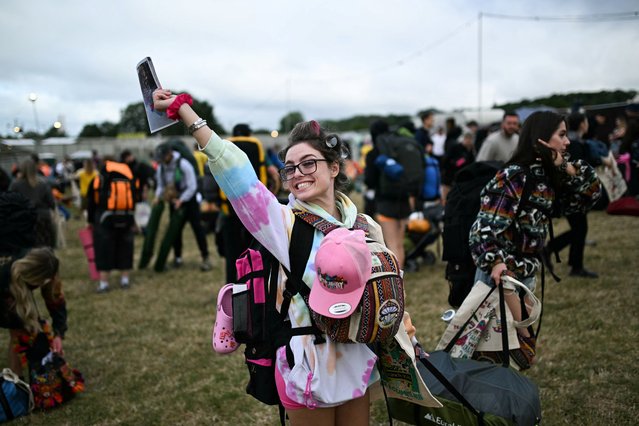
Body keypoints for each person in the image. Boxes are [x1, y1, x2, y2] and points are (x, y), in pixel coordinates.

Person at [153, 88, 384, 425]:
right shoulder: (281, 223)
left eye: (309, 163)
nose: (298, 173)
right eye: (290, 168)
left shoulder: (364, 225)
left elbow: (383, 289)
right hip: (309, 364)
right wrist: (189, 116)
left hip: (358, 358)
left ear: (334, 168)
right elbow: (238, 176)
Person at [469, 111, 601, 361]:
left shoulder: (549, 177)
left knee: (517, 353)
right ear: (541, 139)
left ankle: (504, 397)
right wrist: (496, 263)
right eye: (561, 135)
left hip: (525, 276)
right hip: (498, 278)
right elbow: (482, 228)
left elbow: (592, 195)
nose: (568, 141)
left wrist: (566, 166)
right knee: (487, 353)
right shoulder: (515, 176)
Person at [545, 112, 609, 278]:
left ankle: (570, 261)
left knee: (579, 229)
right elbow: (575, 169)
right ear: (582, 124)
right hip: (573, 196)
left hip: (572, 195)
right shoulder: (573, 144)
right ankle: (555, 253)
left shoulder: (573, 142)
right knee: (580, 230)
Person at [365, 120, 415, 268]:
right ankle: (401, 275)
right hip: (403, 199)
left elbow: (370, 180)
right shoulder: (398, 149)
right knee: (399, 244)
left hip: (385, 203)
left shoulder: (373, 154)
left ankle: (397, 281)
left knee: (391, 245)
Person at [154, 142, 212, 271]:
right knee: (175, 230)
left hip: (189, 200)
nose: (162, 161)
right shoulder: (161, 167)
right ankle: (177, 257)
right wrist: (158, 197)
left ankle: (206, 257)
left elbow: (192, 186)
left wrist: (182, 199)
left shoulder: (183, 164)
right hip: (174, 202)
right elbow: (160, 184)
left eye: (164, 158)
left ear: (169, 154)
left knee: (197, 229)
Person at [86, 158, 137, 293]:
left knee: (104, 249)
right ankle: (125, 280)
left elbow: (91, 202)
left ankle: (104, 283)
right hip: (126, 217)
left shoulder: (100, 179)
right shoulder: (128, 176)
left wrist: (91, 221)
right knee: (125, 247)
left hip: (104, 219)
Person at [9, 158, 56, 248]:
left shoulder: (15, 185)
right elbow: (51, 203)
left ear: (22, 169)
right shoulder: (43, 184)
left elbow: (9, 202)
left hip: (22, 219)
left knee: (26, 249)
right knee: (44, 248)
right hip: (42, 219)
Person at [441, 131, 476, 203]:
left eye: (470, 139)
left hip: (463, 179)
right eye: (467, 139)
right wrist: (459, 162)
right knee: (448, 199)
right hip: (450, 177)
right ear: (464, 139)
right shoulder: (456, 147)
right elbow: (446, 161)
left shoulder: (471, 151)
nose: (468, 141)